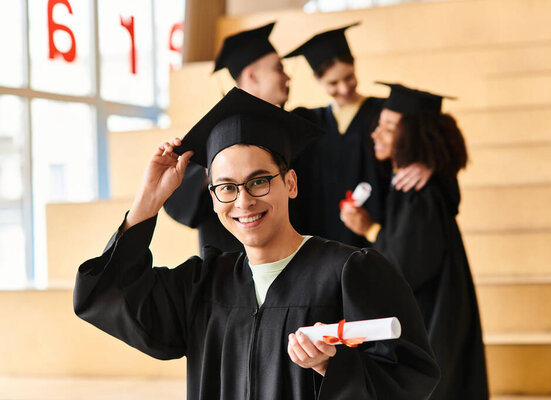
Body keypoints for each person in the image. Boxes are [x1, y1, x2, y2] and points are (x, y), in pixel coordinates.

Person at [74, 88, 440, 399]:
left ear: (291, 184)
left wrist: (333, 366)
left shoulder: (349, 273)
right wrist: (148, 202)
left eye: (259, 181)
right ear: (214, 197)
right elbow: (105, 296)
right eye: (227, 187)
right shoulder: (202, 287)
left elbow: (410, 377)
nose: (244, 201)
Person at [340, 83, 489, 399]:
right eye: (379, 124)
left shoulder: (418, 191)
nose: (376, 133)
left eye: (390, 128)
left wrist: (369, 230)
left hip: (432, 321)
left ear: (415, 137)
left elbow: (404, 268)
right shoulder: (413, 179)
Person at [284, 23, 432, 248]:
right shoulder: (309, 123)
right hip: (323, 237)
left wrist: (426, 163)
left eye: (349, 77)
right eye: (333, 83)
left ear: (354, 65)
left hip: (377, 235)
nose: (344, 88)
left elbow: (429, 142)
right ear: (317, 80)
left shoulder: (382, 113)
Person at [163, 22, 290, 254]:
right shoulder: (215, 133)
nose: (287, 76)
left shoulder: (290, 126)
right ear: (252, 76)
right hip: (229, 269)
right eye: (278, 69)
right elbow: (178, 202)